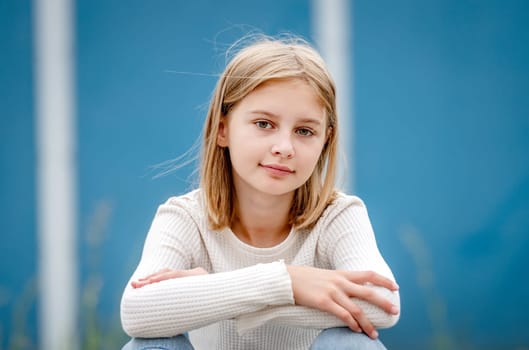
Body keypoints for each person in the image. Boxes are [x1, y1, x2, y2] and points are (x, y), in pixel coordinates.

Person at [120, 33, 400, 350]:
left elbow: (383, 303)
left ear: (325, 141)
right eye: (264, 124)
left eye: (305, 131)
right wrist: (289, 282)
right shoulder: (186, 218)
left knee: (352, 344)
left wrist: (234, 301)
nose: (284, 148)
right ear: (222, 129)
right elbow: (136, 312)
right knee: (150, 345)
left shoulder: (337, 216)